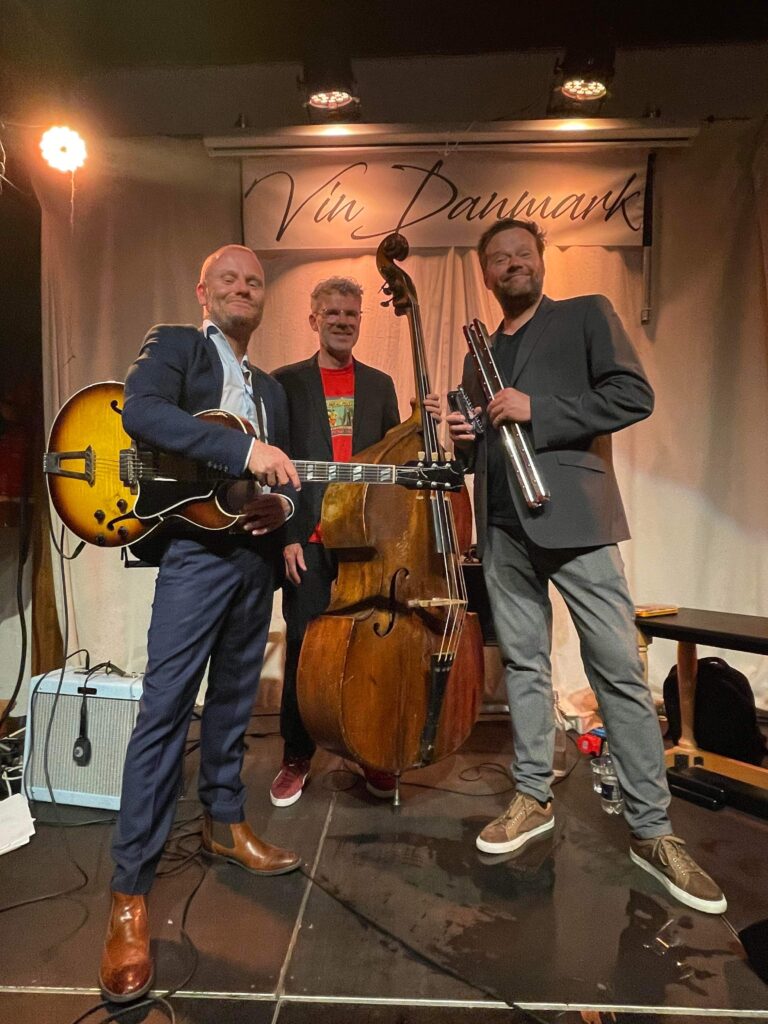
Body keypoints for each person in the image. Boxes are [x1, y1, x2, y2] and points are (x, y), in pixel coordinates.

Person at [446, 219, 726, 915]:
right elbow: (477, 448)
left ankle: (653, 831)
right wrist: (461, 437)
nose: (512, 264)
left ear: (540, 260)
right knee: (524, 666)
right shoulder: (480, 355)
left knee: (617, 671)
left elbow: (633, 396)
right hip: (503, 524)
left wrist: (537, 409)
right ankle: (532, 796)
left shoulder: (584, 315)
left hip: (576, 518)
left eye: (522, 253)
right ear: (485, 274)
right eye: (498, 259)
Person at [99, 245, 303, 1003]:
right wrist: (245, 447)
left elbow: (288, 473)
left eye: (255, 281)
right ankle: (129, 894)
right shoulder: (179, 345)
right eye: (229, 279)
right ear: (203, 291)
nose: (244, 288)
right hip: (194, 555)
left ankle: (224, 823)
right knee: (164, 712)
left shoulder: (270, 387)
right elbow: (142, 412)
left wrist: (283, 510)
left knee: (234, 703)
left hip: (252, 561)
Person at [268, 276, 403, 806]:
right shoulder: (285, 383)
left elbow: (393, 465)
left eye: (351, 314)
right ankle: (296, 756)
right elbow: (275, 467)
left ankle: (369, 748)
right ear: (314, 320)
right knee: (304, 648)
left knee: (370, 650)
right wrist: (289, 535)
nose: (343, 321)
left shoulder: (381, 385)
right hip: (308, 541)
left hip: (365, 544)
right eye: (333, 313)